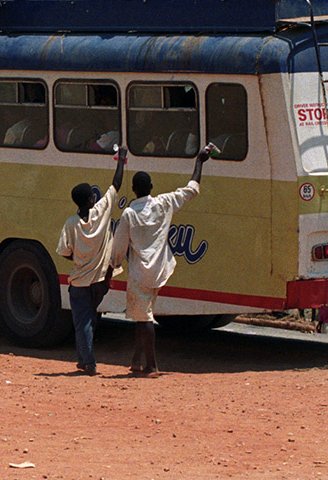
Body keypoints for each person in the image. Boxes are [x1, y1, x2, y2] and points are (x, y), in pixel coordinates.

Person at [111, 144, 214, 378]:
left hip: (141, 273)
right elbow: (192, 188)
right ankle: (136, 360)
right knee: (141, 313)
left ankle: (152, 365)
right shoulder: (164, 203)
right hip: (161, 269)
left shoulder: (129, 214)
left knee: (144, 316)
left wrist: (111, 269)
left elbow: (118, 248)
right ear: (151, 188)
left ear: (134, 190)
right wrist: (199, 162)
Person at [56, 147, 126, 376]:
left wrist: (78, 258)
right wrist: (122, 159)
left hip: (80, 282)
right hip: (100, 281)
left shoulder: (70, 223)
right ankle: (84, 358)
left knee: (83, 323)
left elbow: (64, 251)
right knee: (90, 320)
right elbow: (116, 184)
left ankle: (88, 362)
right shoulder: (101, 212)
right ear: (89, 199)